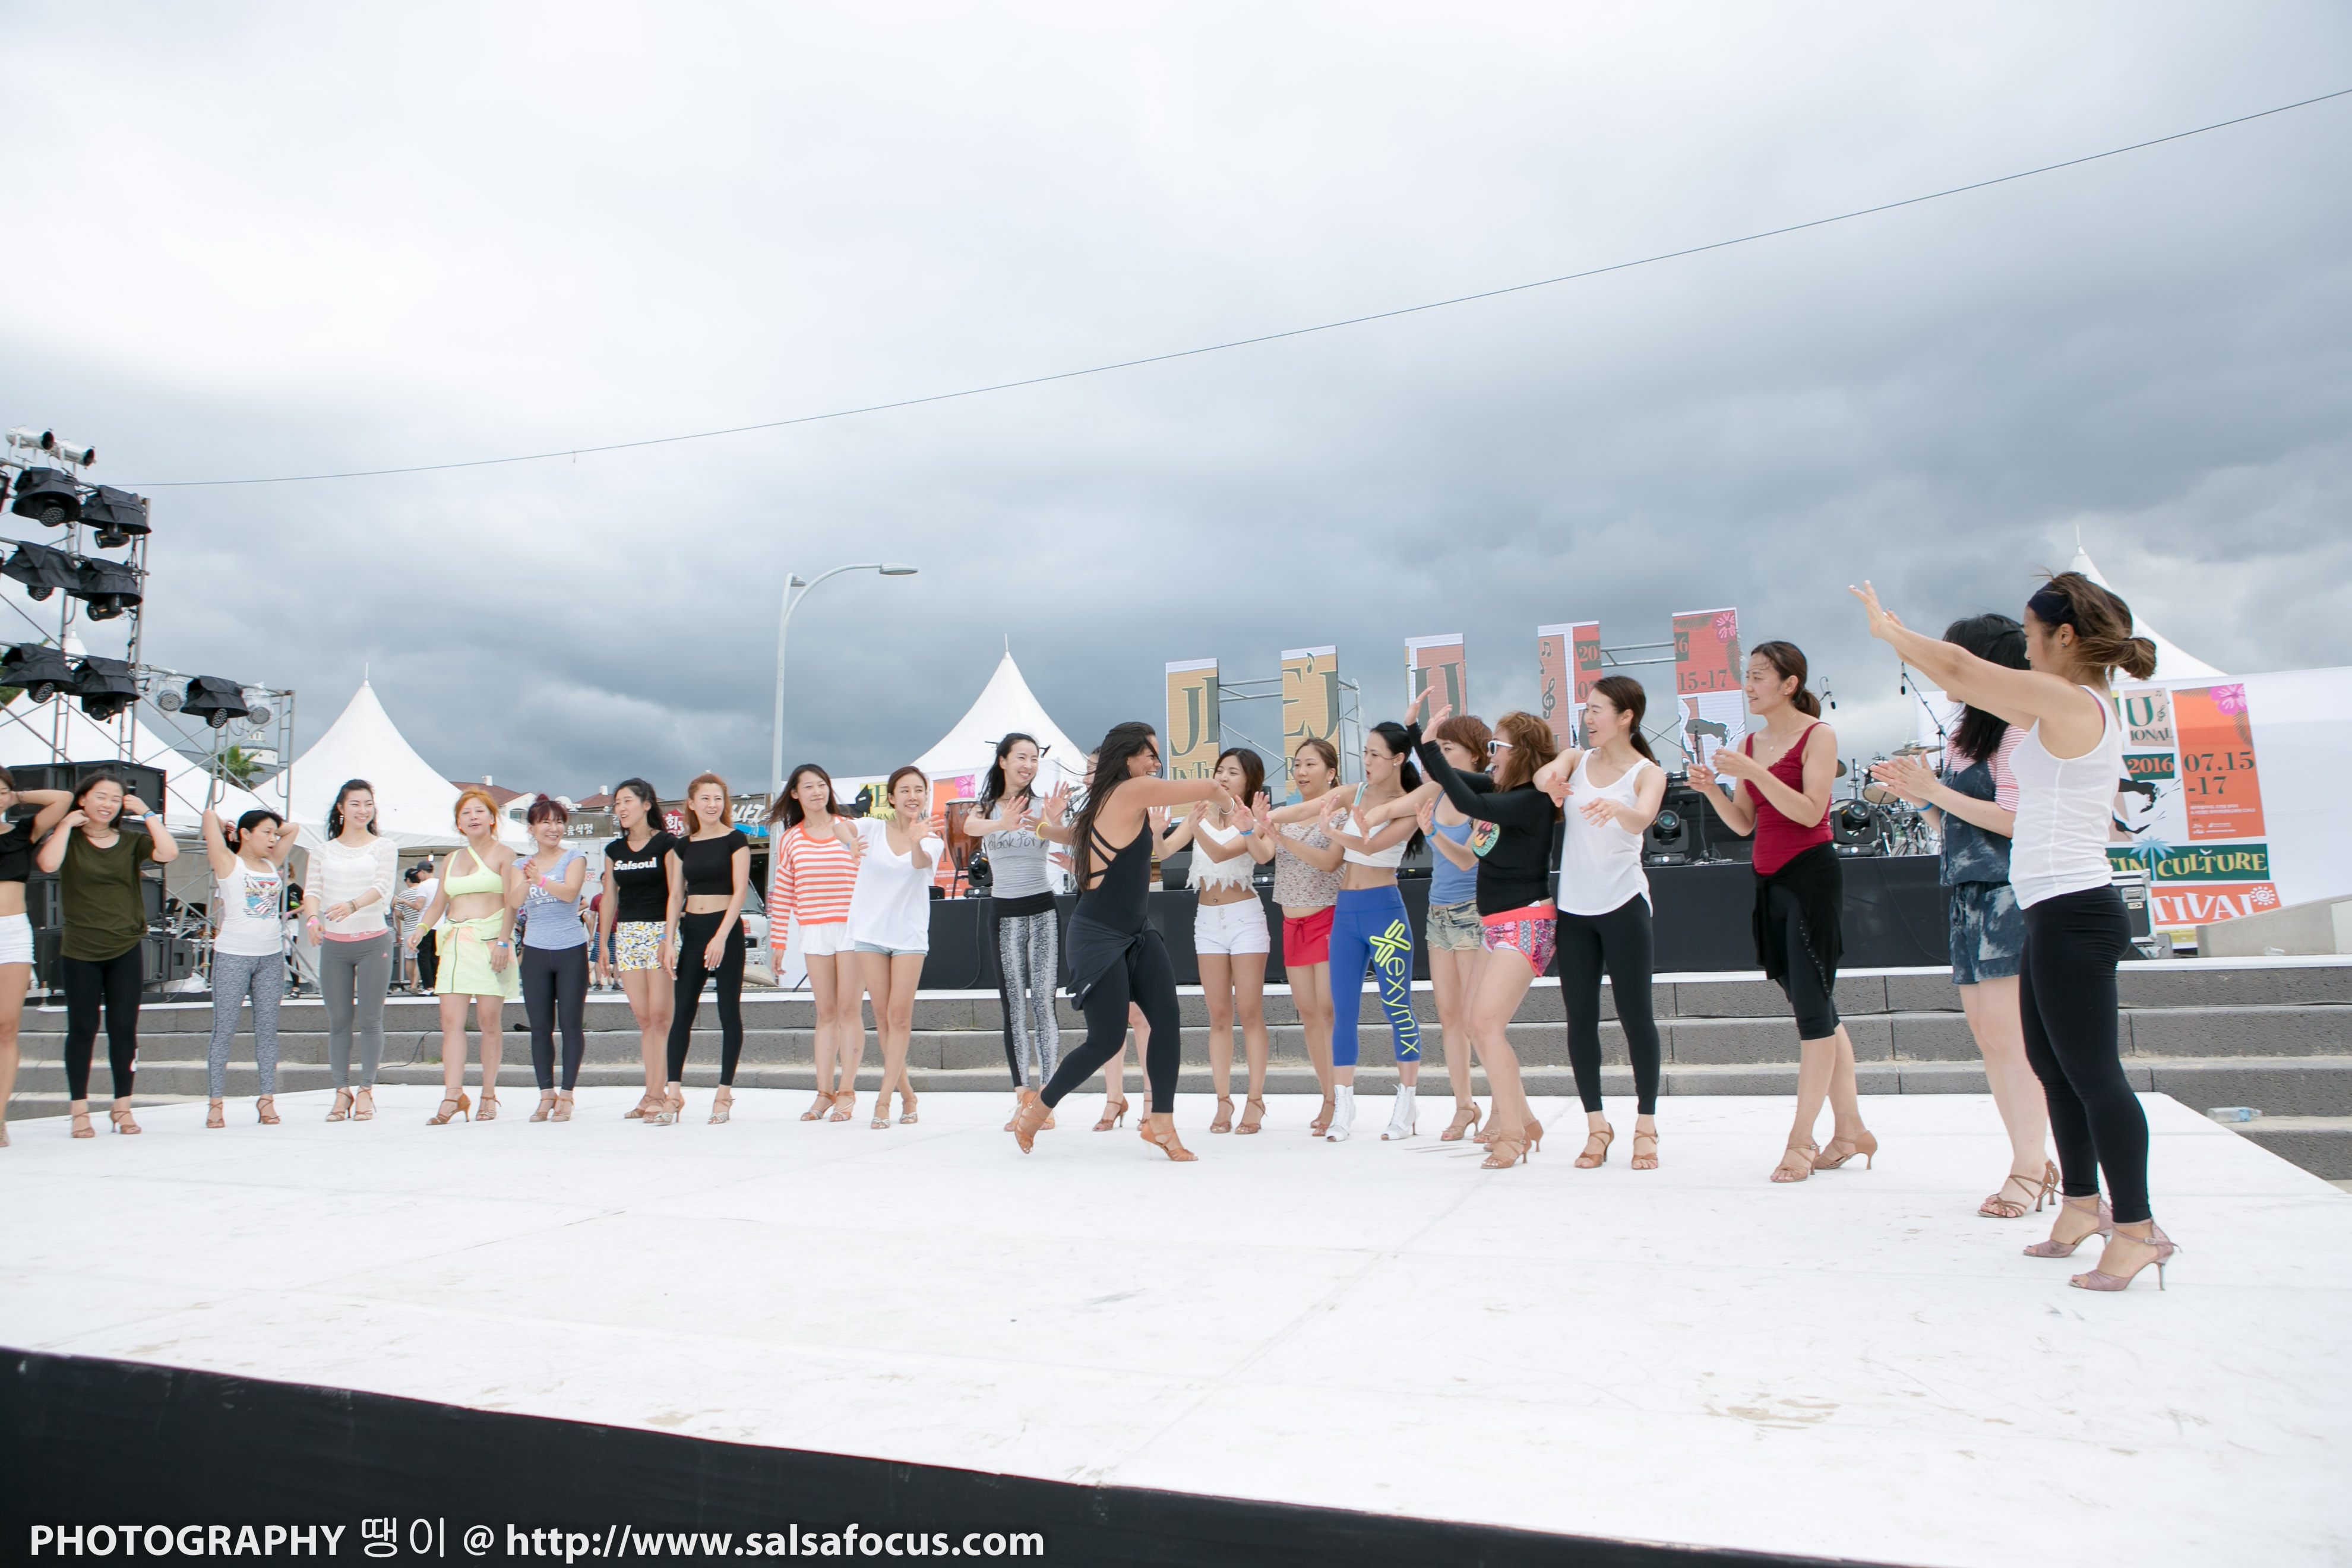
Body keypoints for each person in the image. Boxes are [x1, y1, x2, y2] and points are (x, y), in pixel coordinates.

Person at [1855, 573, 2175, 1292]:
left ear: (2065, 637)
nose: (2025, 649)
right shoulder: (2064, 702)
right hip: (2051, 909)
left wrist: (1890, 632)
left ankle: (2136, 1230)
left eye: (2031, 636)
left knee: (2095, 1076)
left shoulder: (2071, 700)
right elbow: (1965, 681)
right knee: (2055, 1070)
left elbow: (1961, 668)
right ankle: (2082, 1206)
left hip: (2075, 910)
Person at [1869, 616, 2055, 1218]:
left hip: (2009, 893)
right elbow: (1952, 824)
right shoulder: (1963, 736)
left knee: (2011, 1039)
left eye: (1953, 653)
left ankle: (2032, 1166)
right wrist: (1919, 795)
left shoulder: (2020, 731)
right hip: (1967, 894)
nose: (1941, 665)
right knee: (1989, 1038)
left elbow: (2017, 821)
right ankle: (2032, 1159)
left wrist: (1937, 792)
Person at [1687, 641, 1874, 1183]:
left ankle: (1801, 1139)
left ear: (1790, 684)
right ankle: (1852, 1130)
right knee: (1819, 1008)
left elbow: (1811, 811)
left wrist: (1754, 770)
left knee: (1813, 1016)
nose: (1749, 686)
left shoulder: (1818, 735)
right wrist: (1714, 791)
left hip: (1810, 879)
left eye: (1759, 676)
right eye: (1747, 676)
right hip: (1768, 882)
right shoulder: (1751, 743)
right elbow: (1745, 823)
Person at [1012, 721, 1233, 1161]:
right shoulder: (1131, 791)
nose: (1155, 762)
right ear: (1128, 757)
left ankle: (1161, 1124)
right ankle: (1038, 1108)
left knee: (1167, 1020)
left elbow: (1076, 836)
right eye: (1149, 754)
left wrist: (1042, 830)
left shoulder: (1110, 799)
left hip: (1136, 931)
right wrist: (1231, 804)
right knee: (1106, 1039)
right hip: (1097, 935)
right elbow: (1209, 787)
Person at [1364, 696, 1557, 1168]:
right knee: (1474, 1023)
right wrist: (1417, 734)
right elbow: (1444, 779)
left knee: (1485, 1025)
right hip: (1494, 926)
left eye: (1498, 746)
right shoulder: (1500, 786)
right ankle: (1525, 1119)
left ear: (1521, 752)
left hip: (1526, 924)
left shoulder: (1529, 800)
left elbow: (1468, 800)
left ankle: (1511, 1133)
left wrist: (1427, 741)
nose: (1492, 755)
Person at [1532, 677, 1668, 1170]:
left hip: (1623, 903)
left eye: (1598, 710)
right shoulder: (1577, 757)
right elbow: (1543, 776)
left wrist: (1619, 808)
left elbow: (1642, 819)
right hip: (1574, 909)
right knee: (1580, 1020)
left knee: (1636, 1017)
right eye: (1586, 710)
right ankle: (1597, 1125)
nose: (1589, 718)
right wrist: (1550, 781)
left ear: (1626, 716)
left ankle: (1646, 1125)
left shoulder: (1647, 772)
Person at [1268, 725, 1426, 1142]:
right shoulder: (1355, 792)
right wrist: (1264, 818)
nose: (1368, 761)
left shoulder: (1408, 805)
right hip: (1347, 914)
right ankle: (1343, 1104)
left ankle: (1407, 1102)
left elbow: (1371, 847)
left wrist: (1334, 832)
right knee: (1343, 1011)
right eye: (1366, 752)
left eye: (1376, 754)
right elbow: (1306, 809)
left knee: (1397, 1006)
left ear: (1398, 759)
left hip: (1384, 913)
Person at [36, 774, 178, 1137]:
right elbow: (48, 865)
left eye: (116, 799)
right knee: (83, 1028)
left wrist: (147, 813)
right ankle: (79, 1111)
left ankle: (122, 1107)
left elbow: (168, 853)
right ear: (83, 799)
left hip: (125, 946)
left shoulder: (131, 842)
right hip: (80, 949)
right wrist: (65, 824)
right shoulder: (70, 839)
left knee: (123, 1028)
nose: (108, 804)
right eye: (101, 796)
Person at [1156, 749, 1276, 1134]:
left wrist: (1198, 826)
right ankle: (1223, 1101)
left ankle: (1255, 1101)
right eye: (1220, 770)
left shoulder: (1253, 818)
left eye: (1233, 772)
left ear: (1249, 780)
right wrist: (1157, 831)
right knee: (1219, 1016)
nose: (1223, 776)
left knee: (1250, 1012)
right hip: (1207, 920)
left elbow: (1223, 854)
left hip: (1245, 918)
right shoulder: (1201, 813)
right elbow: (1164, 852)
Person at [964, 734, 1063, 1131]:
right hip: (1004, 915)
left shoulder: (1043, 806)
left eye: (1034, 758)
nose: (1028, 764)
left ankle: (1047, 1101)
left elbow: (1064, 838)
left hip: (1042, 911)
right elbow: (970, 825)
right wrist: (1002, 821)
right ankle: (1022, 1096)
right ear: (1003, 761)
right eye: (1021, 757)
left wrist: (1055, 821)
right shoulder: (986, 807)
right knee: (1014, 1007)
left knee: (1043, 1003)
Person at [404, 788, 518, 1124]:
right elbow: (439, 903)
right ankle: (452, 1094)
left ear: (492, 818)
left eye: (479, 811)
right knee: (451, 1022)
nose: (473, 817)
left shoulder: (505, 854)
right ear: (458, 823)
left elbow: (512, 902)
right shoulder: (451, 859)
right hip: (454, 943)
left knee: (489, 1022)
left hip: (490, 942)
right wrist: (420, 929)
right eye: (466, 813)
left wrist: (503, 942)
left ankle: (488, 1094)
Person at [766, 764, 864, 1122]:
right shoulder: (791, 839)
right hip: (814, 930)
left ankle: (847, 1092)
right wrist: (778, 941)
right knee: (826, 1013)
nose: (817, 792)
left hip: (851, 929)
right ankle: (824, 1093)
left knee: (849, 1011)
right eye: (808, 787)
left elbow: (867, 874)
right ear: (795, 794)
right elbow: (783, 892)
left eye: (822, 785)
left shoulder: (848, 827)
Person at [849, 766, 943, 1129]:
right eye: (904, 790)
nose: (912, 796)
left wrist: (917, 840)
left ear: (926, 795)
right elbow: (841, 828)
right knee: (882, 1018)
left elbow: (920, 864)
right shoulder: (872, 828)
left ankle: (883, 1100)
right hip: (870, 933)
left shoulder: (931, 836)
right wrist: (848, 842)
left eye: (919, 790)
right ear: (891, 797)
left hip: (908, 937)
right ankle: (908, 1095)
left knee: (899, 1017)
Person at [302, 779, 399, 1122]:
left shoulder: (384, 847)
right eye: (356, 803)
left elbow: (383, 888)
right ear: (341, 808)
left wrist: (352, 905)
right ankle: (341, 1091)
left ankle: (366, 1090)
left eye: (368, 804)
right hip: (334, 945)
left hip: (373, 942)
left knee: (371, 1019)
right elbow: (312, 890)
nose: (363, 810)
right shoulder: (322, 850)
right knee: (339, 1021)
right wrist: (313, 919)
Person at [659, 772, 751, 1126]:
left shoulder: (736, 840)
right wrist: (669, 940)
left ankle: (724, 1093)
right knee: (682, 1012)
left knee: (728, 1012)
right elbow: (675, 896)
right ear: (692, 804)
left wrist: (721, 937)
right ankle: (673, 1094)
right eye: (706, 798)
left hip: (725, 931)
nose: (712, 805)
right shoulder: (682, 846)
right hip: (693, 931)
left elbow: (740, 892)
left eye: (718, 799)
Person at [1415, 715, 1491, 1141]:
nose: (1440, 757)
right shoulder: (1439, 792)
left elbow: (1467, 859)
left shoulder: (1483, 797)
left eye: (1449, 749)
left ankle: (1503, 1107)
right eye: (1438, 749)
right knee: (1448, 1016)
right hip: (1438, 913)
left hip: (1472, 912)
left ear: (1475, 755)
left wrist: (1432, 834)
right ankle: (1464, 1105)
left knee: (1476, 1018)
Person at [200, 807, 298, 1128]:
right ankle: (216, 1104)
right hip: (233, 956)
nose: (273, 839)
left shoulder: (271, 863)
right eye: (265, 833)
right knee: (224, 1031)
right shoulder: (229, 862)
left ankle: (267, 1100)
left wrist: (273, 828)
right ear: (244, 834)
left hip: (269, 957)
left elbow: (293, 829)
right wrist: (225, 825)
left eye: (274, 834)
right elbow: (208, 816)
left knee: (267, 1032)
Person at [1267, 737, 1345, 1134]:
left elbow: (1331, 862)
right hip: (1291, 922)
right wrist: (1256, 827)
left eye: (1310, 765)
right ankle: (1327, 1095)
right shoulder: (1284, 816)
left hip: (1327, 917)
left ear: (1331, 773)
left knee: (1329, 1012)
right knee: (1309, 1014)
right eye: (1297, 764)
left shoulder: (1339, 813)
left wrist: (1284, 839)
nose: (1301, 772)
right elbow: (1261, 852)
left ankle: (1340, 1098)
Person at [0, 773, 77, 1146]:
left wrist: (16, 796)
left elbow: (63, 798)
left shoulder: (21, 832)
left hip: (12, 933)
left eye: (0, 791)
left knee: (7, 1026)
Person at [600, 779, 678, 1120]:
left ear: (646, 805)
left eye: (627, 801)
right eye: (617, 803)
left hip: (660, 932)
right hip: (628, 935)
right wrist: (603, 945)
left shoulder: (667, 844)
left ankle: (661, 1094)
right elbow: (609, 898)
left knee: (661, 1018)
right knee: (645, 1019)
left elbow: (676, 893)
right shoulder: (614, 851)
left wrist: (668, 938)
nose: (621, 808)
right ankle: (651, 1093)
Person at [511, 795, 592, 1123]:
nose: (553, 828)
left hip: (571, 949)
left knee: (571, 1025)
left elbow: (571, 893)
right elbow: (513, 902)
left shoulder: (575, 857)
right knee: (540, 1028)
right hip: (535, 951)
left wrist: (541, 880)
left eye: (559, 822)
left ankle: (567, 1095)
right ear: (532, 828)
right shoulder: (520, 865)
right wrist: (526, 880)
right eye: (545, 822)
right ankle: (546, 1094)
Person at [401, 864, 439, 993]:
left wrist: (405, 902)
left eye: (419, 873)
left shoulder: (423, 885)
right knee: (436, 956)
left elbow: (418, 906)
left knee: (423, 956)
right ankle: (437, 985)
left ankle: (429, 986)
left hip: (426, 924)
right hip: (440, 925)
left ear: (422, 872)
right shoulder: (440, 883)